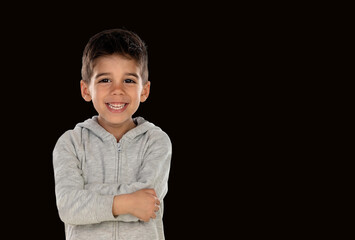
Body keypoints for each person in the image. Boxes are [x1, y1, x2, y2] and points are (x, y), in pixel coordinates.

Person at [53, 28, 172, 240]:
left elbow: (147, 202)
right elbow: (69, 205)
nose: (117, 90)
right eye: (105, 80)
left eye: (128, 80)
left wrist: (88, 197)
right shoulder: (70, 143)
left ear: (144, 90)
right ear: (85, 90)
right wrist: (125, 203)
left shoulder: (156, 141)